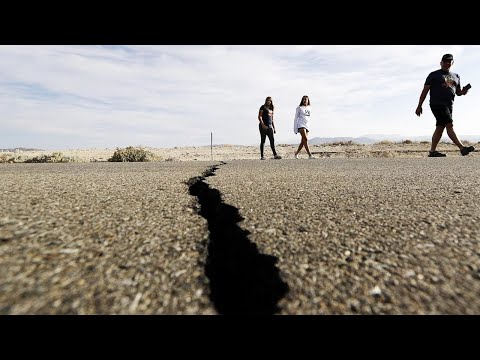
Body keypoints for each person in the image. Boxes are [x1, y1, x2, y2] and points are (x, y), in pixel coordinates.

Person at [415, 53, 474, 157]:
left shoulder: (456, 76)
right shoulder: (434, 75)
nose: (447, 63)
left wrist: (464, 91)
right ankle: (462, 148)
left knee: (440, 127)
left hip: (449, 105)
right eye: (445, 61)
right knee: (449, 125)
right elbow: (425, 91)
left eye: (449, 61)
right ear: (441, 62)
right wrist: (419, 105)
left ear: (452, 63)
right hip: (437, 104)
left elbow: (458, 93)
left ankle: (432, 152)